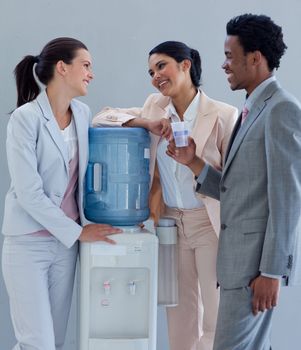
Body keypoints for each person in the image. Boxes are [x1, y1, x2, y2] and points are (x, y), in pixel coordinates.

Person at [166, 14, 301, 350]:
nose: (224, 65)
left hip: (254, 271)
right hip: (237, 267)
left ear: (255, 58)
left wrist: (272, 273)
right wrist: (195, 162)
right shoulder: (252, 109)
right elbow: (238, 189)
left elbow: (287, 199)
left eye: (230, 56)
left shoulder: (281, 110)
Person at [93, 41, 238, 350]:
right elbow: (102, 117)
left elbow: (235, 185)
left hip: (209, 223)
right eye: (151, 71)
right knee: (179, 317)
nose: (155, 76)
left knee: (216, 317)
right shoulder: (154, 108)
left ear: (185, 65)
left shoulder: (224, 115)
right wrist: (147, 123)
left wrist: (195, 162)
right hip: (170, 225)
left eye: (161, 66)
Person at [1, 37, 122, 350]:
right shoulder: (25, 119)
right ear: (62, 68)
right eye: (86, 65)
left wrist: (148, 121)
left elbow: (112, 118)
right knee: (36, 342)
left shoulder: (82, 113)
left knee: (52, 341)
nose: (91, 73)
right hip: (28, 243)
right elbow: (29, 193)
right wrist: (79, 232)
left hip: (65, 249)